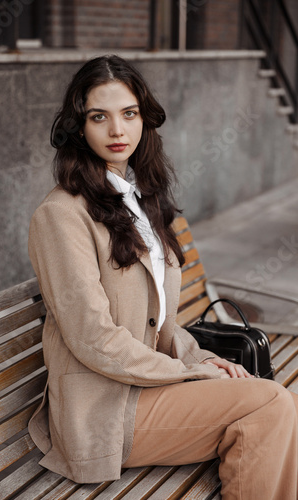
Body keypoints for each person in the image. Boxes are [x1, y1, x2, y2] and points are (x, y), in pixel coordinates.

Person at [28, 55, 298, 499]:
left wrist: (203, 361)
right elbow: (93, 338)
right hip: (104, 410)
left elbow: (162, 325)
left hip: (146, 390)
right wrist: (187, 375)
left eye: (129, 114)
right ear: (79, 127)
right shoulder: (60, 215)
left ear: (144, 119)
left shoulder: (137, 199)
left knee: (274, 402)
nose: (118, 130)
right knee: (269, 405)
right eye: (100, 117)